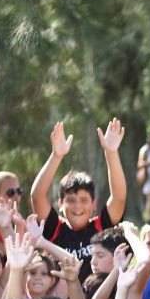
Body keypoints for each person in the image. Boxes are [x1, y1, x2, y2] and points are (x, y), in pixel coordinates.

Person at [29, 120, 127, 281]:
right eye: (71, 200)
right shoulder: (55, 228)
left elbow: (119, 197)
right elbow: (37, 196)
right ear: (60, 204)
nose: (77, 206)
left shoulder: (102, 227)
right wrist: (56, 156)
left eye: (83, 200)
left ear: (94, 204)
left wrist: (111, 152)